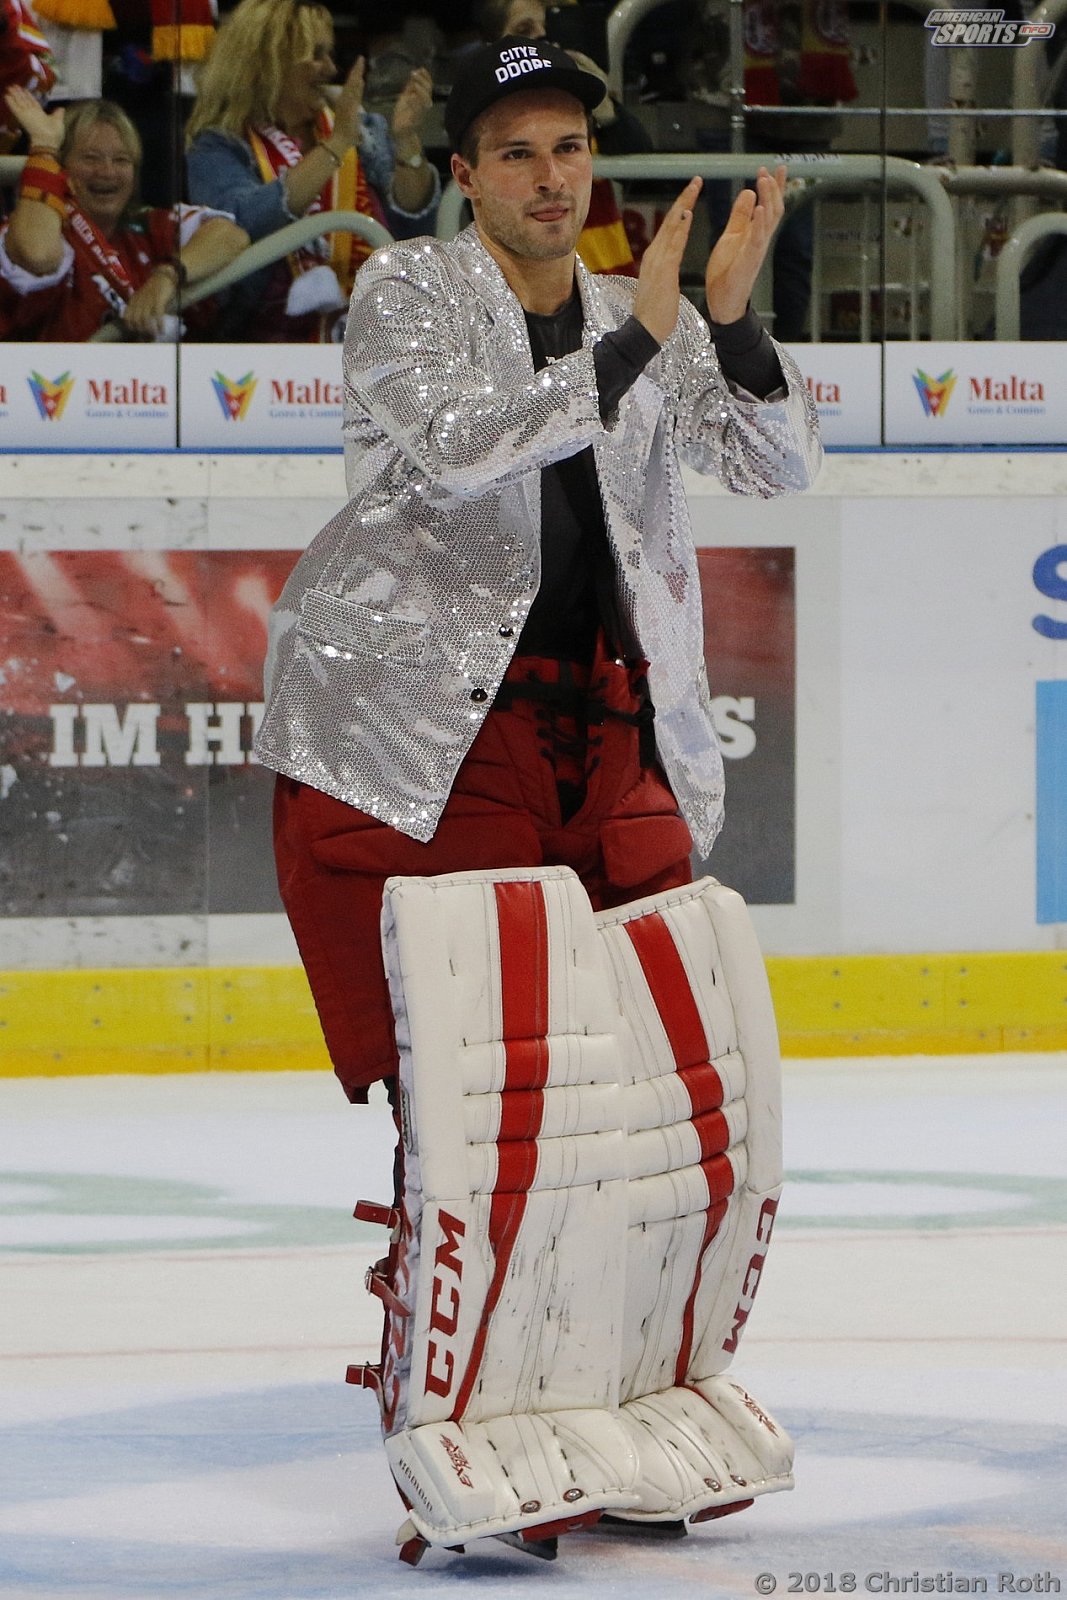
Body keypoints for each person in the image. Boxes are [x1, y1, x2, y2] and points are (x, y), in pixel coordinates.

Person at [254, 35, 821, 1108]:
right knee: (475, 1075)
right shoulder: (407, 287)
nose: (551, 176)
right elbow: (460, 442)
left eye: (568, 148)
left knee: (658, 1065)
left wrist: (734, 325)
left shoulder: (635, 312)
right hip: (440, 729)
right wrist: (634, 346)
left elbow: (776, 464)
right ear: (465, 176)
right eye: (516, 154)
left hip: (607, 722)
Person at [185, 0, 440, 342]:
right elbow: (242, 224)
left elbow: (415, 229)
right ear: (269, 62)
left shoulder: (361, 129)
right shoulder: (218, 146)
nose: (331, 68)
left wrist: (406, 141)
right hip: (259, 349)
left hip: (377, 336)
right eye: (316, 55)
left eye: (329, 54)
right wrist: (335, 147)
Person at [0, 87, 249, 340]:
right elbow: (38, 255)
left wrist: (166, 276)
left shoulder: (150, 226)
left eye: (121, 160)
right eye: (90, 158)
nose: (107, 172)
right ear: (62, 167)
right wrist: (45, 147)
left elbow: (230, 235)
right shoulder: (31, 229)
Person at [477, 0, 649, 276]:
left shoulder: (581, 107)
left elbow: (646, 169)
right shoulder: (484, 124)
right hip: (527, 285)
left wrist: (607, 111)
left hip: (608, 282)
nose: (542, 37)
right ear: (493, 44)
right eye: (525, 30)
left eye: (568, 147)